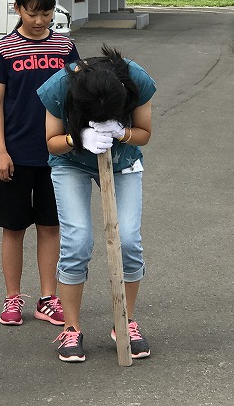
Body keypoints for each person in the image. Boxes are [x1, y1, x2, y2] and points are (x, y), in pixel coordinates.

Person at [36, 45, 156, 362]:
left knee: (129, 240)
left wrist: (124, 133)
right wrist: (77, 138)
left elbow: (144, 133)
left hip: (123, 161)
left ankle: (125, 321)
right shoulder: (60, 86)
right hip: (71, 163)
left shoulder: (136, 79)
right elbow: (52, 142)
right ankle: (71, 328)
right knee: (77, 241)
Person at [0, 0, 79, 326]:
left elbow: (76, 96)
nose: (39, 20)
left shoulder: (65, 49)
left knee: (51, 226)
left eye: (46, 12)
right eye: (32, 12)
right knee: (14, 227)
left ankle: (48, 298)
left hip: (57, 155)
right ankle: (12, 298)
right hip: (16, 155)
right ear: (18, 9)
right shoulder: (3, 49)